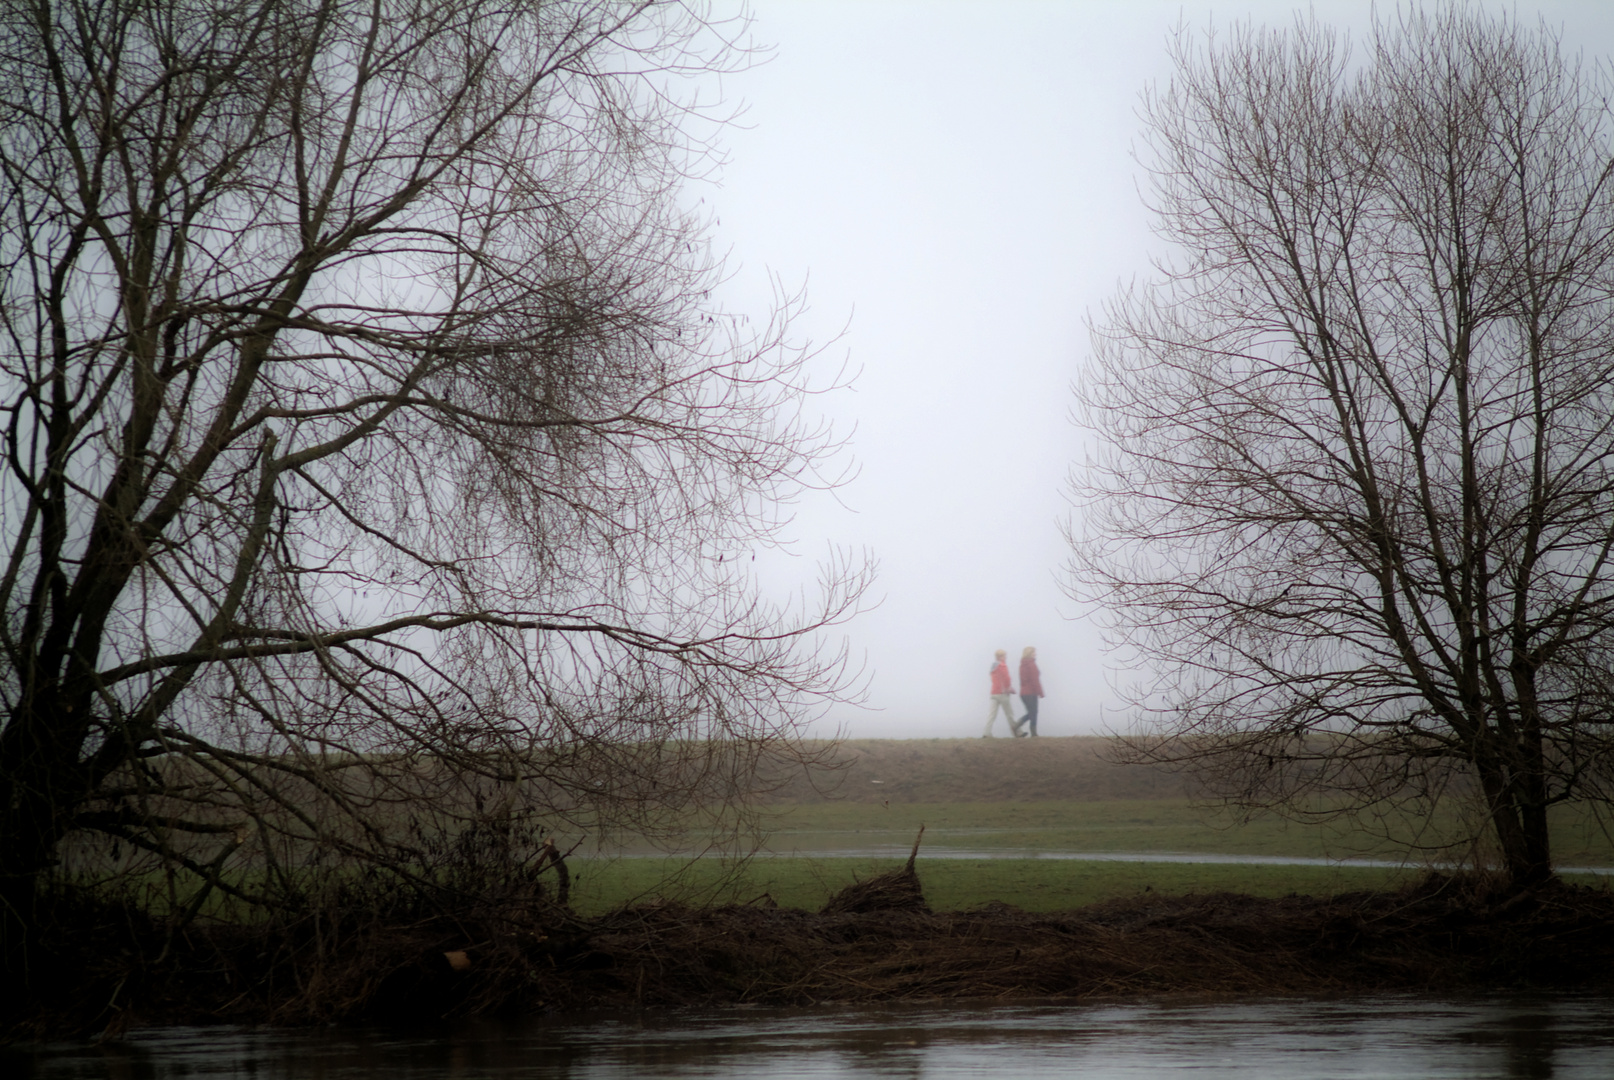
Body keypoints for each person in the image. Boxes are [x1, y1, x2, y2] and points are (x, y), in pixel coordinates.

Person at [983, 649, 1015, 736]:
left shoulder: (993, 666)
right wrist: (1009, 688)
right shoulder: (1002, 666)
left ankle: (986, 733)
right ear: (1000, 657)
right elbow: (1007, 678)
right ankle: (1018, 732)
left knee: (991, 715)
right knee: (1009, 714)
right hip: (1002, 693)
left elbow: (993, 679)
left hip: (994, 692)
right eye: (1004, 656)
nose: (1006, 657)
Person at [1014, 646, 1044, 736]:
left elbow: (1023, 680)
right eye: (1033, 653)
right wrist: (1040, 692)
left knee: (1032, 713)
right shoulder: (1032, 665)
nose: (1035, 654)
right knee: (1033, 713)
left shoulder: (1022, 665)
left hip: (1023, 693)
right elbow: (1035, 680)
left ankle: (1018, 726)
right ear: (1029, 654)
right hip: (1031, 692)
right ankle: (1031, 732)